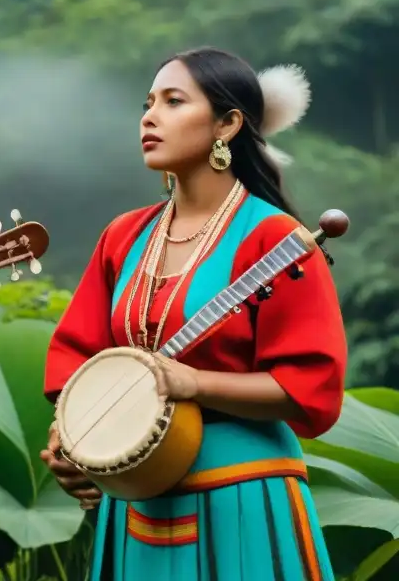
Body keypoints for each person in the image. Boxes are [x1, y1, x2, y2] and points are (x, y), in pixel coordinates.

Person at [40, 48, 346, 580]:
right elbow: (78, 355)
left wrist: (195, 382)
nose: (149, 117)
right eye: (147, 103)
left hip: (241, 495)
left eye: (173, 102)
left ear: (227, 125)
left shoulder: (276, 240)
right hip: (135, 501)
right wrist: (72, 439)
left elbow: (310, 385)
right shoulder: (124, 236)